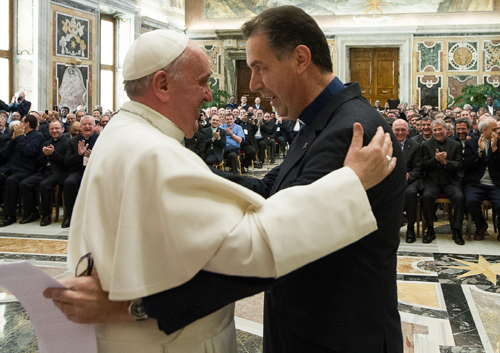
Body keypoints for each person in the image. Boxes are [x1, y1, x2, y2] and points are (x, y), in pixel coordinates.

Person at [43, 26, 399, 353]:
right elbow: (251, 248)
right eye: (202, 81)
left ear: (300, 60)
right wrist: (349, 183)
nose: (250, 85)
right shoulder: (152, 151)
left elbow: (270, 190)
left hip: (338, 335)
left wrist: (135, 306)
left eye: (260, 67)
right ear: (163, 85)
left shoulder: (353, 130)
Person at [421, 119, 465, 245]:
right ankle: (430, 230)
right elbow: (423, 165)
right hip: (432, 182)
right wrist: (435, 160)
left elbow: (459, 165)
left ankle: (456, 231)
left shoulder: (455, 145)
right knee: (426, 196)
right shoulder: (426, 145)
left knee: (459, 197)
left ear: (446, 129)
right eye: (435, 130)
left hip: (450, 181)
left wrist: (446, 162)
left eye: (440, 129)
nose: (437, 132)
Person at [463, 117, 500, 241]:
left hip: (495, 184)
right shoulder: (471, 143)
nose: (497, 131)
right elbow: (467, 166)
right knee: (471, 202)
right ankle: (481, 225)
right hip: (475, 183)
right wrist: (480, 151)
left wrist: (495, 150)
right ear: (484, 130)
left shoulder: (499, 143)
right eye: (494, 129)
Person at [393, 119, 422, 243]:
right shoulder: (386, 144)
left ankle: (410, 229)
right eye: (397, 130)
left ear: (408, 131)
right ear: (392, 131)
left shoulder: (415, 146)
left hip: (410, 180)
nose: (400, 132)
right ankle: (391, 229)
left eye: (403, 129)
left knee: (410, 194)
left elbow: (418, 168)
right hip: (392, 180)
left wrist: (408, 176)